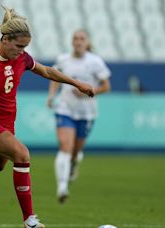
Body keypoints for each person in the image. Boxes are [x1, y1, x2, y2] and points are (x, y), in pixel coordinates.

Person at [0, 6, 95, 228]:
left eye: (25, 47)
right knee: (22, 155)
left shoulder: (21, 57)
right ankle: (29, 220)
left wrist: (78, 83)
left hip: (7, 122)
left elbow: (47, 71)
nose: (22, 51)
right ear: (6, 39)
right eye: (19, 46)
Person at [47, 29, 111, 204]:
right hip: (65, 109)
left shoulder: (95, 62)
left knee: (75, 152)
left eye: (81, 39)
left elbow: (106, 86)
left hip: (87, 113)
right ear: (71, 41)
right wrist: (52, 95)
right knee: (65, 146)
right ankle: (62, 187)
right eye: (75, 38)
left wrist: (90, 91)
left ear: (87, 42)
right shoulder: (63, 59)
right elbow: (54, 77)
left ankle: (74, 163)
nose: (78, 42)